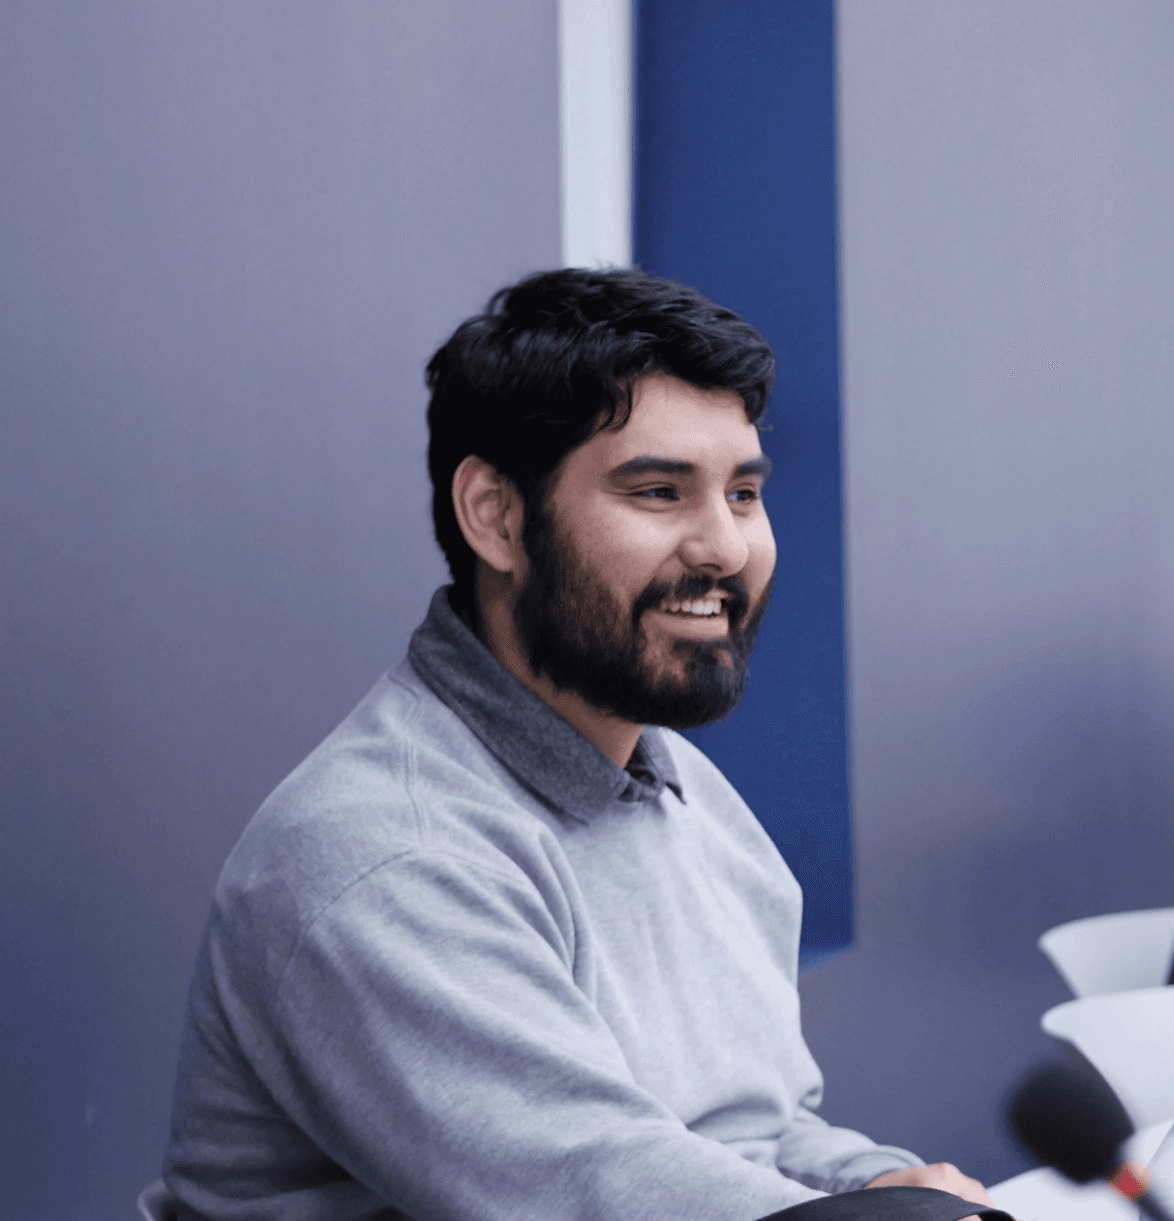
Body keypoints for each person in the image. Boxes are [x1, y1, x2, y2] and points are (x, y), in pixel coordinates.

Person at [163, 268, 994, 1220]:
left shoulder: (682, 790)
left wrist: (879, 1183)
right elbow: (597, 1188)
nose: (724, 546)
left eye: (745, 492)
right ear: (497, 515)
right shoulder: (387, 854)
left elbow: (752, 1133)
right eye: (658, 490)